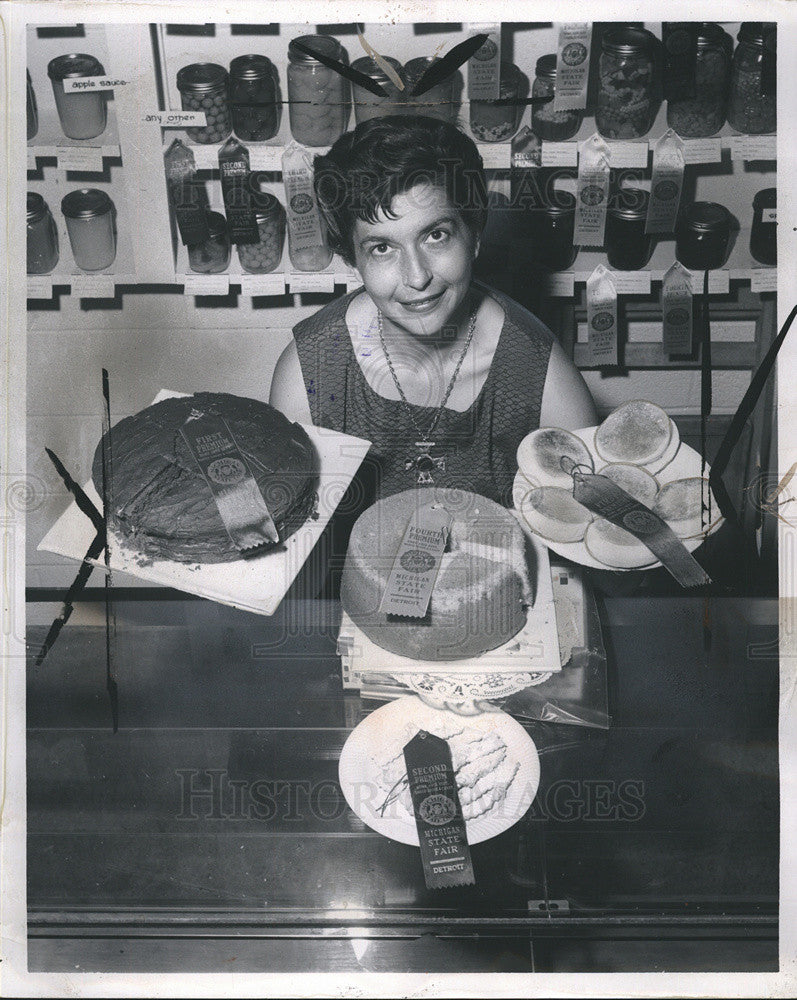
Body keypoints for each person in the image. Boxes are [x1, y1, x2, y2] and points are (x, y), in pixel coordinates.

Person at [270, 115, 596, 514]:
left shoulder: (541, 374)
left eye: (435, 235)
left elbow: (584, 535)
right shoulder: (310, 373)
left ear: (474, 235)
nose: (417, 276)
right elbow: (294, 546)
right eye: (381, 248)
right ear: (352, 259)